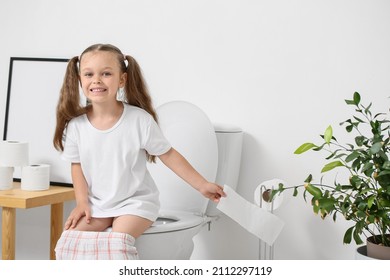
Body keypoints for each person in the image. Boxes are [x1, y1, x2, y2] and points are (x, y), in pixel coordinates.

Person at [53, 43, 225, 241]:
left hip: (135, 203)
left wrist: (201, 184)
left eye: (106, 74)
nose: (97, 80)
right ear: (79, 79)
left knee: (117, 241)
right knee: (70, 241)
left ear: (122, 79)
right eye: (89, 74)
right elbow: (77, 166)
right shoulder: (76, 126)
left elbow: (168, 154)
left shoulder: (138, 120)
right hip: (98, 205)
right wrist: (82, 202)